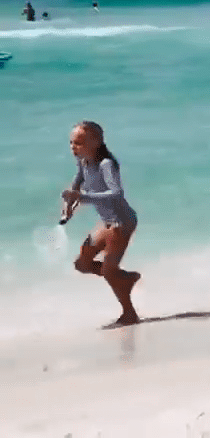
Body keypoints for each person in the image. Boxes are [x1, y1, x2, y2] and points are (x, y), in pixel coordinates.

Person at [62, 121, 141, 328]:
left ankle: (129, 314)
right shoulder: (84, 162)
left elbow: (116, 193)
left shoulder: (106, 164)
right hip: (106, 222)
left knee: (108, 271)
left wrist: (83, 197)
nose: (73, 147)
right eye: (71, 143)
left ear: (96, 142)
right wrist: (69, 204)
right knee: (82, 264)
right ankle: (123, 277)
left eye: (79, 143)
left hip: (121, 222)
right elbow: (77, 181)